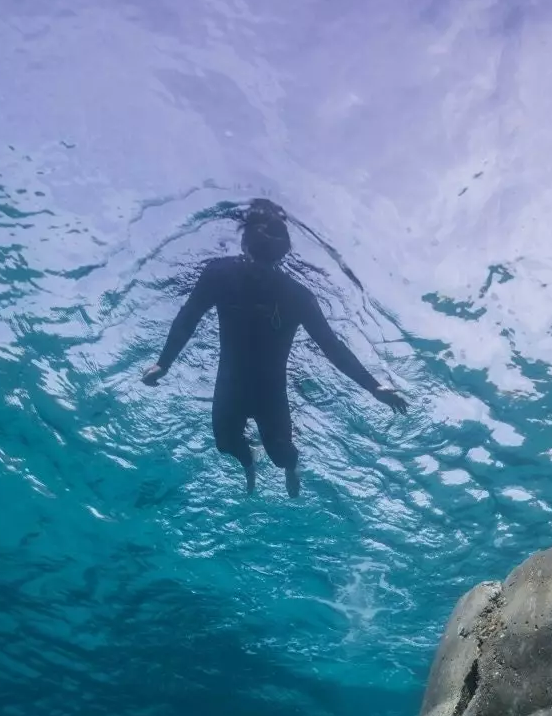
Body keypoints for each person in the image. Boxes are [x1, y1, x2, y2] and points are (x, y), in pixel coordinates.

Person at [142, 199, 407, 496]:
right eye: (257, 256)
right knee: (225, 444)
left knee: (282, 456)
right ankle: (250, 460)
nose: (258, 270)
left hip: (270, 392)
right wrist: (163, 362)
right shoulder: (220, 275)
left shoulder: (296, 296)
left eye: (267, 259)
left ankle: (292, 465)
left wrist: (373, 386)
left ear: (280, 255)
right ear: (244, 245)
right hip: (231, 383)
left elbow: (331, 346)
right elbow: (188, 316)